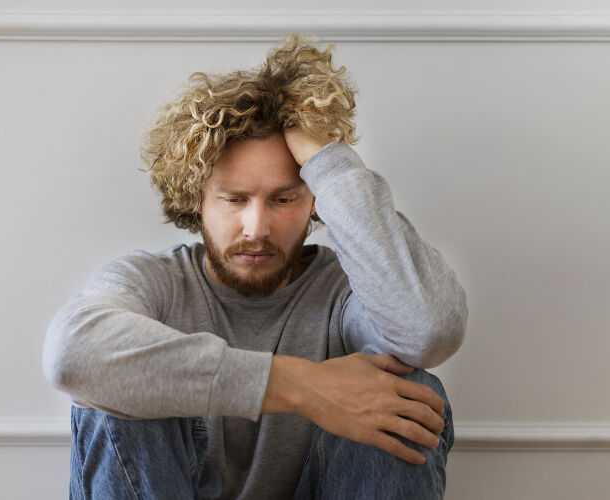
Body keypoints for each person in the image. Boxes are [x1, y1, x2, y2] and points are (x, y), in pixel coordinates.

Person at [43, 34, 467, 499]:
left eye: (284, 199)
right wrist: (307, 387)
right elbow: (72, 355)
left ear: (314, 203)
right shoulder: (152, 284)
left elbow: (430, 330)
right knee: (114, 394)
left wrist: (330, 166)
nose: (257, 227)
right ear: (197, 200)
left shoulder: (346, 296)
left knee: (407, 394)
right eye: (234, 199)